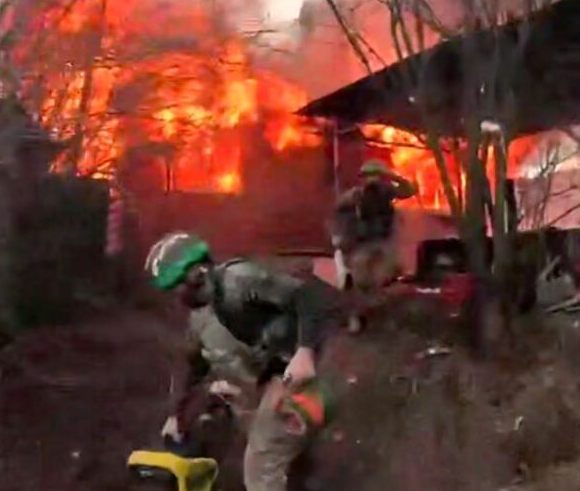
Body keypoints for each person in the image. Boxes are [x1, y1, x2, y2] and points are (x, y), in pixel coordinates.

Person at [146, 232, 341, 491]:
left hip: (305, 375)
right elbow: (192, 363)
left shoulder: (239, 280)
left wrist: (305, 352)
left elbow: (306, 296)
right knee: (247, 426)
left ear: (196, 274)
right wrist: (176, 414)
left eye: (176, 287)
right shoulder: (203, 317)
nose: (175, 297)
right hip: (270, 379)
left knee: (260, 465)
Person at [331, 160, 416, 322]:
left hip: (383, 241)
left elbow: (409, 190)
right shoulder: (357, 194)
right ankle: (355, 316)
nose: (373, 179)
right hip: (363, 243)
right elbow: (339, 207)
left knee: (389, 276)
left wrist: (393, 177)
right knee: (360, 281)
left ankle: (379, 313)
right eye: (369, 176)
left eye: (376, 175)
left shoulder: (387, 192)